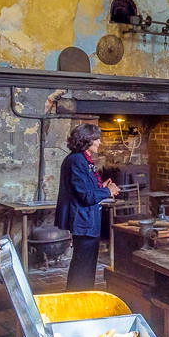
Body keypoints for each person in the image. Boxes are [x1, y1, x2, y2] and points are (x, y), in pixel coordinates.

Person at [55, 123, 120, 291]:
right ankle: (78, 296)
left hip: (88, 220)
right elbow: (85, 196)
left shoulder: (83, 160)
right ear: (87, 140)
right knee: (83, 266)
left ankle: (81, 295)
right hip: (83, 220)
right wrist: (107, 191)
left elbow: (86, 189)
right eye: (96, 139)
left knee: (86, 264)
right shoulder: (77, 161)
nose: (99, 142)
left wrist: (102, 187)